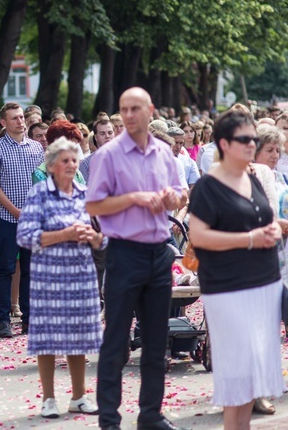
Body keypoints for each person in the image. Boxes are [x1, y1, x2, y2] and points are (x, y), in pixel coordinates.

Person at [86, 87, 186, 430]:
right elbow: (94, 205)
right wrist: (135, 198)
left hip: (159, 252)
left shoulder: (163, 151)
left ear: (149, 110)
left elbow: (181, 191)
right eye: (123, 109)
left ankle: (150, 415)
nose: (128, 115)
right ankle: (109, 420)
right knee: (116, 341)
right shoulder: (108, 155)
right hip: (124, 253)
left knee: (156, 341)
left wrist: (173, 197)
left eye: (135, 109)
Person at [188, 109, 284, 429]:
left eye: (253, 139)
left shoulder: (253, 177)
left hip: (262, 286)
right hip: (230, 290)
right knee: (237, 380)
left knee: (251, 381)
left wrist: (271, 230)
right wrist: (250, 238)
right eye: (244, 140)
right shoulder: (210, 185)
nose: (250, 145)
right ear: (225, 144)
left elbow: (262, 221)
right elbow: (199, 236)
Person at [16, 137, 104, 418]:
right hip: (48, 278)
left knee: (79, 338)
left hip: (81, 276)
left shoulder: (86, 193)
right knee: (49, 339)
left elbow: (106, 239)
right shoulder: (39, 193)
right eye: (64, 160)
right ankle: (48, 398)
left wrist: (94, 237)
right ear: (51, 165)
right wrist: (63, 235)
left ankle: (79, 396)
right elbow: (25, 236)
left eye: (74, 160)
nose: (70, 165)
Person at [0, 103, 44, 339]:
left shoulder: (36, 148)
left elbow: (42, 181)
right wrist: (15, 211)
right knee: (6, 269)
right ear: (3, 123)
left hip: (34, 220)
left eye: (21, 117)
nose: (21, 121)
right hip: (8, 218)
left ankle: (29, 319)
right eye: (15, 118)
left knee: (30, 270)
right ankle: (3, 320)